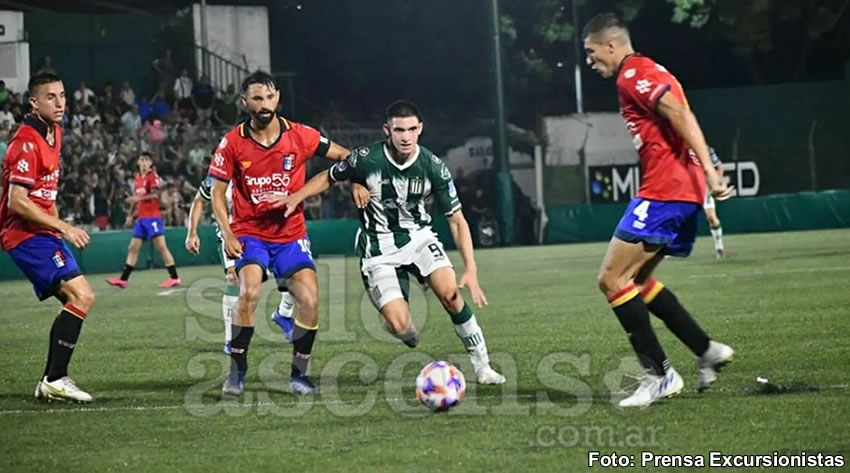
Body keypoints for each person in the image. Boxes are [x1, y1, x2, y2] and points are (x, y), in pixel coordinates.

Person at [277, 100, 506, 385]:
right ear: (388, 130)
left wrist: (470, 268)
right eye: (399, 130)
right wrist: (296, 197)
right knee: (402, 327)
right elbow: (328, 176)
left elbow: (457, 220)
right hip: (378, 247)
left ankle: (483, 366)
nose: (406, 136)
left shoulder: (433, 166)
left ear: (420, 129)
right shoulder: (366, 159)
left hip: (419, 238)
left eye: (411, 129)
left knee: (451, 295)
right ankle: (401, 327)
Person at [582, 13, 735, 407]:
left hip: (666, 190)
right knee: (639, 280)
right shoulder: (644, 71)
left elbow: (681, 114)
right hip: (679, 189)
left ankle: (659, 375)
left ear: (610, 45)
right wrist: (707, 173)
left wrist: (712, 175)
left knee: (612, 279)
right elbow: (679, 114)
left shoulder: (633, 73)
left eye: (591, 51)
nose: (589, 60)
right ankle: (706, 350)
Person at [207, 71, 350, 396]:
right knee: (249, 293)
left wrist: (354, 180)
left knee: (310, 300)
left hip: (290, 235)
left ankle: (299, 375)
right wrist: (227, 233)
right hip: (249, 233)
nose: (264, 104)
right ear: (245, 102)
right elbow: (217, 193)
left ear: (278, 98)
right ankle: (237, 371)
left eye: (269, 97)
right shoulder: (232, 142)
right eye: (257, 98)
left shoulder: (300, 135)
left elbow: (346, 157)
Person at [0, 72, 96, 402]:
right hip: (24, 235)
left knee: (77, 300)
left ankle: (50, 381)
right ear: (34, 102)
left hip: (44, 232)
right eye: (50, 97)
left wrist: (56, 227)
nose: (59, 103)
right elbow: (17, 201)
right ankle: (55, 378)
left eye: (63, 95)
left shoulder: (55, 131)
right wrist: (64, 227)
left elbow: (46, 192)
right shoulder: (25, 141)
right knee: (82, 297)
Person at [186, 172, 297, 354]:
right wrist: (192, 232)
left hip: (266, 230)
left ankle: (283, 313)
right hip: (232, 232)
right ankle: (231, 339)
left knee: (294, 274)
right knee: (234, 279)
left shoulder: (260, 167)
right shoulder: (217, 177)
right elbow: (199, 200)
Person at [105, 152, 181, 289]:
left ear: (151, 163)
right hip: (141, 219)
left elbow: (156, 195)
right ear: (138, 163)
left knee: (161, 247)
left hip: (153, 217)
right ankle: (123, 280)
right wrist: (130, 215)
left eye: (147, 160)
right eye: (142, 160)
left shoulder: (153, 176)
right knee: (133, 248)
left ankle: (174, 277)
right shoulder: (138, 178)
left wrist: (137, 199)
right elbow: (136, 198)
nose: (144, 162)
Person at [703, 147, 726, 259]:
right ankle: (669, 249)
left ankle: (719, 248)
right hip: (688, 187)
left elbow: (719, 166)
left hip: (704, 187)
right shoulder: (679, 148)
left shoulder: (706, 149)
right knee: (678, 216)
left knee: (711, 217)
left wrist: (718, 181)